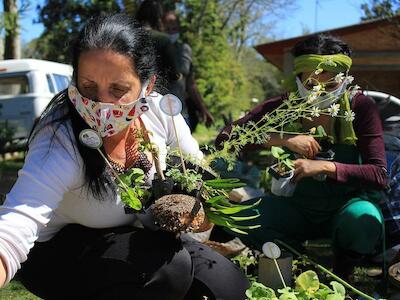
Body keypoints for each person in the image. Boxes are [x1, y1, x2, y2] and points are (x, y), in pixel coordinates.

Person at [0, 14, 249, 299]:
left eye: (118, 89)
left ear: (148, 85)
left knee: (227, 285)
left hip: (137, 238)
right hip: (59, 253)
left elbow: (196, 172)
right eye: (89, 87)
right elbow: (18, 221)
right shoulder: (59, 138)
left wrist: (197, 209)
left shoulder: (161, 113)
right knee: (167, 269)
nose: (101, 104)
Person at [215, 34, 387, 277]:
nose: (320, 95)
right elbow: (225, 138)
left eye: (330, 86)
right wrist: (282, 139)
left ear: (345, 80)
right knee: (239, 217)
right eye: (311, 86)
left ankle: (342, 271)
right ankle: (298, 264)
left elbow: (379, 175)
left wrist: (324, 168)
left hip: (345, 206)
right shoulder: (284, 107)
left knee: (363, 220)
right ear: (298, 79)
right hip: (295, 206)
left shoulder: (360, 108)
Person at [163, 10, 214, 131]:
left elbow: (191, 84)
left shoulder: (184, 50)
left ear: (179, 29)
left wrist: (203, 109)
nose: (171, 30)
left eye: (174, 27)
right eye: (167, 27)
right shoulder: (154, 47)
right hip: (158, 115)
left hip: (181, 113)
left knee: (185, 149)